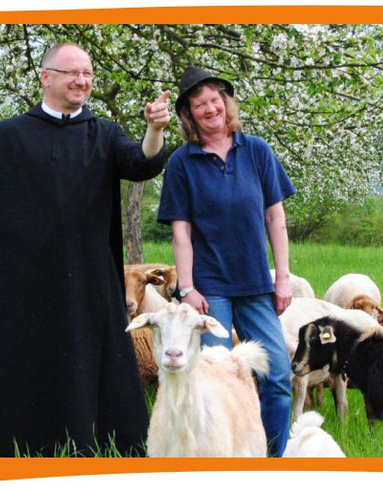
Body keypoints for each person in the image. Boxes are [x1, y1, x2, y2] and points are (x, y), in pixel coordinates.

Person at [0, 43, 172, 457]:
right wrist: (22, 245)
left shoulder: (105, 132)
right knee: (30, 360)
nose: (82, 81)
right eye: (72, 72)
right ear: (46, 77)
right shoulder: (10, 134)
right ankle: (22, 449)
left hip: (87, 277)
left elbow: (141, 163)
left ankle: (91, 445)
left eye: (88, 74)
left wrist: (154, 129)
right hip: (27, 280)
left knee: (85, 359)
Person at [156, 65, 295, 457]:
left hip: (255, 284)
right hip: (209, 289)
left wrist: (282, 277)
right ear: (188, 115)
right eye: (199, 104)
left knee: (278, 375)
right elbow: (180, 232)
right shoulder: (182, 163)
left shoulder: (257, 151)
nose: (210, 108)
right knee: (213, 377)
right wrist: (187, 288)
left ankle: (271, 457)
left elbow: (275, 218)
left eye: (215, 100)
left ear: (226, 103)